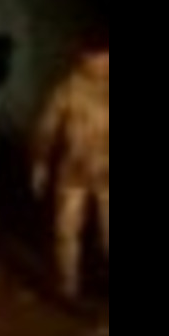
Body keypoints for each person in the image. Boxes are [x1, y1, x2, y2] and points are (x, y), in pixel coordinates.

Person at [32, 33, 109, 300]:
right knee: (66, 232)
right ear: (84, 58)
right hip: (74, 172)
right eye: (97, 57)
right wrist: (40, 164)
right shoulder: (69, 89)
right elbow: (47, 127)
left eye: (104, 57)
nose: (101, 63)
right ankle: (68, 285)